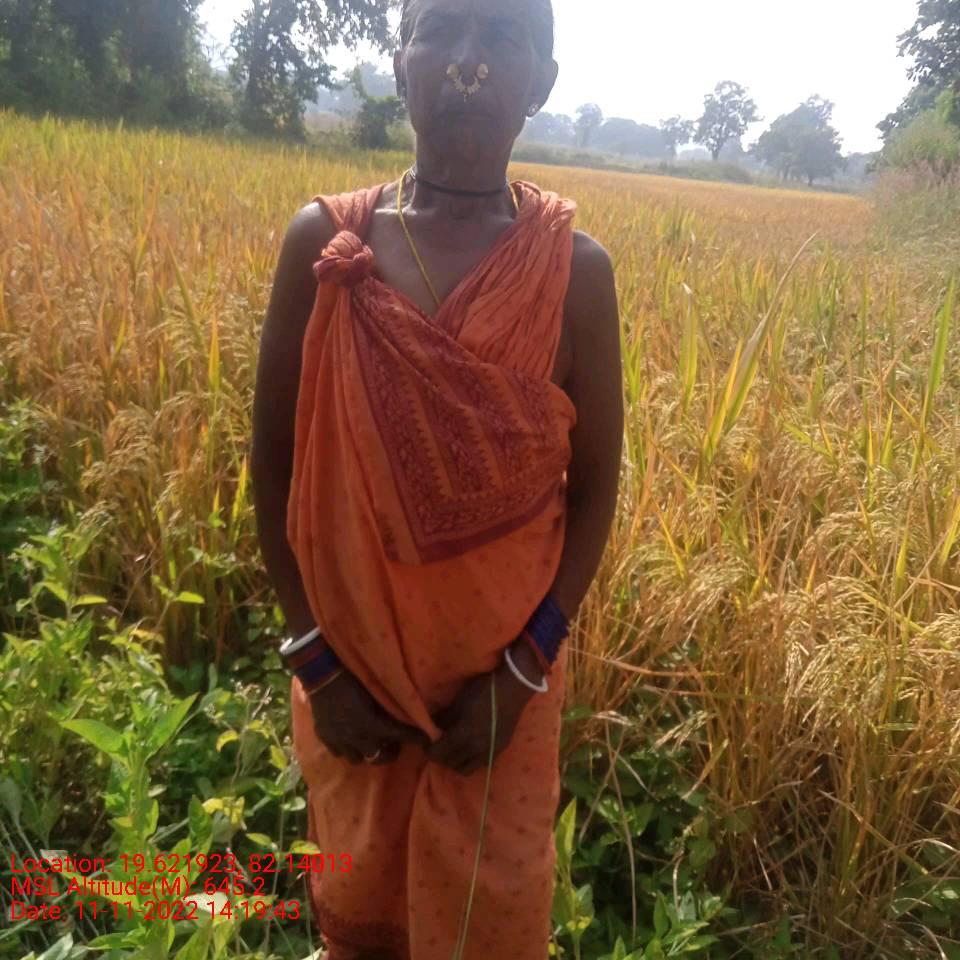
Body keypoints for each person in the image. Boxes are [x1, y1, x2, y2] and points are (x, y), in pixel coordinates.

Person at [251, 0, 623, 956]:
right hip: (354, 689)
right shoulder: (326, 245)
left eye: (501, 36)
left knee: (489, 917)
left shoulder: (576, 274)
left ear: (542, 80)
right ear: (399, 60)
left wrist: (526, 669)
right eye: (441, 29)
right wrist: (315, 660)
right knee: (362, 916)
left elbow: (594, 492)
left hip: (504, 703)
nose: (468, 62)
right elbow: (274, 465)